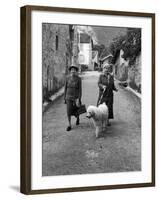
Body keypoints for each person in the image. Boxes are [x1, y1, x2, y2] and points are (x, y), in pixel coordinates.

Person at [64, 64, 82, 131]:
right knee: (68, 111)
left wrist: (79, 99)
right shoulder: (67, 78)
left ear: (76, 71)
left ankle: (77, 118)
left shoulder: (79, 79)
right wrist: (64, 98)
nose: (73, 71)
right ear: (70, 71)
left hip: (76, 97)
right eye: (72, 70)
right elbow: (65, 88)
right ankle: (69, 125)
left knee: (77, 109)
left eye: (74, 70)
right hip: (68, 97)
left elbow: (80, 90)